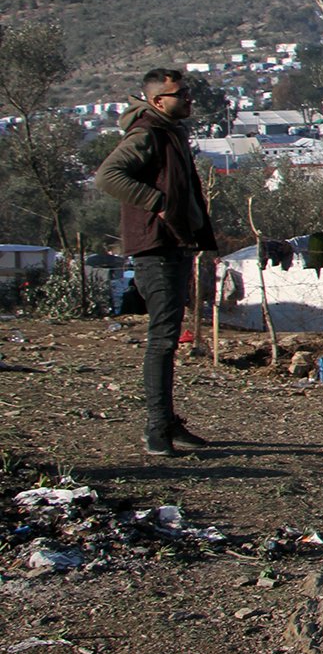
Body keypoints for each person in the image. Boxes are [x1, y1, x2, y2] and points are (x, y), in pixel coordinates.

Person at [94, 68, 218, 456]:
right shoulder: (147, 132)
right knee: (163, 341)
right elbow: (108, 176)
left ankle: (166, 423)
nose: (188, 100)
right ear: (158, 100)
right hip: (156, 248)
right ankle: (156, 430)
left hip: (174, 244)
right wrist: (158, 204)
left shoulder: (169, 132)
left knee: (166, 338)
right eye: (181, 94)